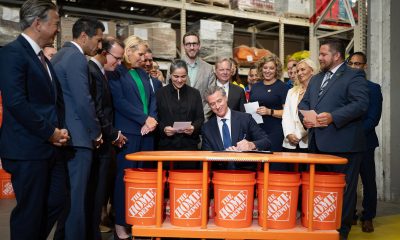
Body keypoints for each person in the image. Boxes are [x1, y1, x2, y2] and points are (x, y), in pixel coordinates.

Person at [0, 0, 69, 239]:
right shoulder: (11, 54)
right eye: (56, 23)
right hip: (27, 149)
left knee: (58, 201)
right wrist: (50, 132)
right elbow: (16, 103)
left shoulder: (43, 59)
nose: (58, 29)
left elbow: (52, 102)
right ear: (38, 23)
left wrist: (60, 131)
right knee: (29, 213)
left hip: (51, 148)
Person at [298, 39, 369, 240]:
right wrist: (306, 119)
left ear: (336, 55)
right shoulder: (316, 79)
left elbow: (361, 104)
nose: (319, 58)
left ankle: (340, 233)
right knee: (319, 191)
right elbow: (303, 103)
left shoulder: (354, 76)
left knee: (344, 194)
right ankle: (321, 229)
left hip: (344, 146)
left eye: (323, 54)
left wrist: (333, 117)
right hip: (317, 146)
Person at [51, 17, 104, 240]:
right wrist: (96, 132)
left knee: (68, 199)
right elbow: (84, 101)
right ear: (84, 36)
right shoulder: (76, 58)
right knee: (77, 200)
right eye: (98, 39)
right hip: (79, 139)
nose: (99, 46)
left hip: (65, 137)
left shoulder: (60, 55)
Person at [108, 35, 158, 240]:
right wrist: (144, 118)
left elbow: (153, 98)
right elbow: (119, 102)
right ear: (128, 51)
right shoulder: (116, 73)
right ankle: (120, 224)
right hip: (128, 136)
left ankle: (140, 220)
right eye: (140, 54)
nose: (143, 58)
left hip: (147, 136)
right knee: (124, 182)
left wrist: (152, 118)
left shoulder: (142, 73)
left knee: (144, 181)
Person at [87, 37, 128, 240]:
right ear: (104, 53)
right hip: (98, 142)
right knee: (95, 194)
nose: (119, 63)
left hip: (105, 142)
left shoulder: (104, 73)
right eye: (117, 58)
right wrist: (114, 134)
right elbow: (97, 109)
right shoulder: (92, 71)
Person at [348, 52, 383, 233]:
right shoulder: (343, 87)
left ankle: (368, 216)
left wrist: (353, 132)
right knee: (349, 181)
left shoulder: (373, 88)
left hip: (366, 141)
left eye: (358, 64)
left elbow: (373, 118)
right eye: (352, 64)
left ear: (365, 66)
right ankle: (350, 214)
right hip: (346, 142)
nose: (355, 67)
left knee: (368, 181)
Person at [202, 86, 271, 170]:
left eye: (219, 101)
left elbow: (266, 142)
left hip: (245, 173)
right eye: (212, 104)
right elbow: (206, 156)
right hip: (219, 176)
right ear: (209, 106)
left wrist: (251, 145)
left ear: (226, 98)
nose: (217, 106)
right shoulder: (207, 128)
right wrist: (222, 155)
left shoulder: (245, 119)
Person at [156, 60, 204, 168]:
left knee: (188, 180)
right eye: (176, 76)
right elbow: (156, 117)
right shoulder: (160, 93)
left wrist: (194, 127)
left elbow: (200, 118)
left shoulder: (195, 93)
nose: (179, 80)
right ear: (170, 75)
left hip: (189, 145)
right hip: (166, 145)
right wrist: (163, 129)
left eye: (183, 76)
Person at [250, 54, 289, 170]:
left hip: (274, 131)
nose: (268, 71)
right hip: (256, 131)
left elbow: (287, 113)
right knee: (258, 164)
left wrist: (269, 111)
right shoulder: (256, 86)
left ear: (276, 70)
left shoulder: (282, 87)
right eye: (265, 67)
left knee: (273, 165)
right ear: (261, 68)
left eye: (271, 68)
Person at [282, 58, 318, 152]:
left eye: (303, 69)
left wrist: (298, 135)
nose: (299, 73)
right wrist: (289, 134)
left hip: (308, 142)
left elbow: (313, 117)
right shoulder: (291, 91)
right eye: (297, 71)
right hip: (289, 142)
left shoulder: (318, 92)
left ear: (312, 71)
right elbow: (286, 116)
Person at [180, 31, 216, 119]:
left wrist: (201, 117)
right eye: (188, 44)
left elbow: (211, 96)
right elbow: (169, 95)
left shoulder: (209, 69)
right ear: (184, 46)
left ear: (199, 46)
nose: (192, 47)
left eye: (194, 44)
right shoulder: (174, 67)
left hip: (201, 120)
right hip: (178, 119)